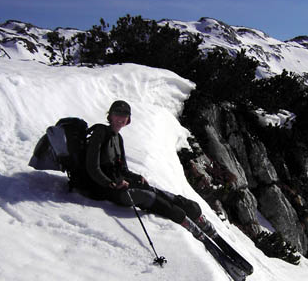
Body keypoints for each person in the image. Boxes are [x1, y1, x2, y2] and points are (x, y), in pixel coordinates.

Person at [77, 100, 216, 239]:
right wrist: (111, 184)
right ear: (110, 116)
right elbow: (92, 167)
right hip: (102, 188)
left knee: (154, 191)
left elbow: (123, 169)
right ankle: (183, 220)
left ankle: (193, 212)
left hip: (117, 184)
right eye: (117, 113)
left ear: (128, 119)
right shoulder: (100, 133)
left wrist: (137, 177)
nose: (120, 118)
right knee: (147, 197)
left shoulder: (118, 138)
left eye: (124, 115)